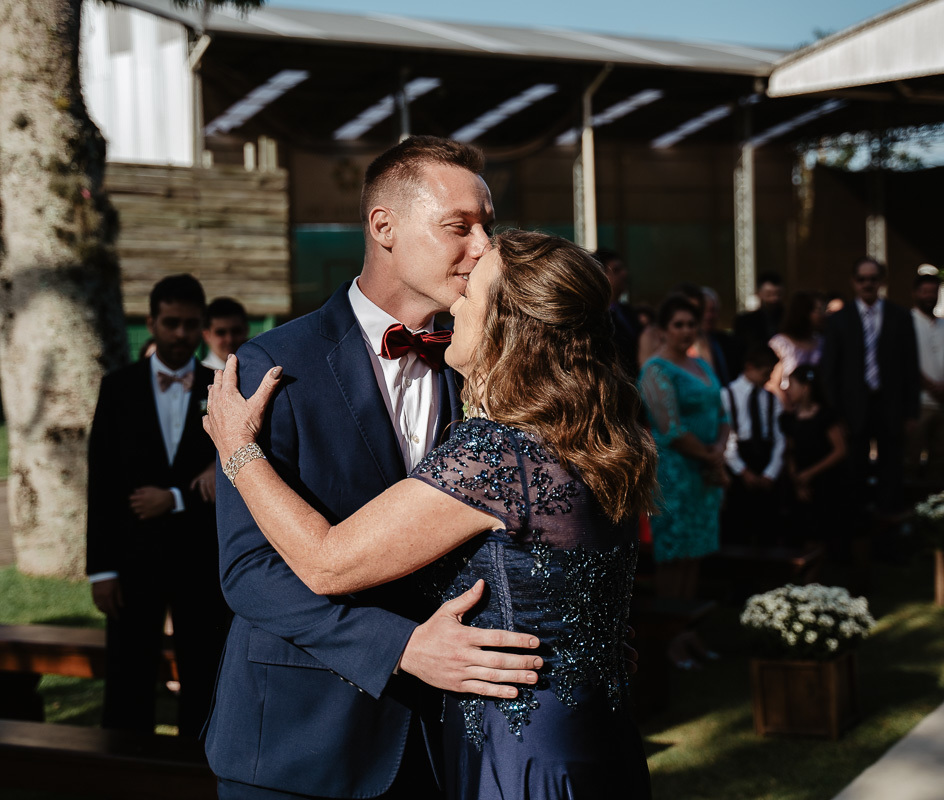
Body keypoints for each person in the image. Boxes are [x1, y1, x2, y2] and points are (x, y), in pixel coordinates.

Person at [206, 229, 657, 799]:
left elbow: (325, 563)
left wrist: (238, 451)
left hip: (521, 753)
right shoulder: (597, 436)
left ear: (506, 328)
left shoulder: (498, 453)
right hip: (591, 736)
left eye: (473, 296)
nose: (457, 302)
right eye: (458, 226)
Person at [203, 137, 547, 800]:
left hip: (446, 742)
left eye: (487, 226)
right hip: (299, 744)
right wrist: (400, 647)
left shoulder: (482, 369)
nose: (482, 247)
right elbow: (249, 572)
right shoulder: (276, 365)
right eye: (459, 227)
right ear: (384, 227)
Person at [86, 274, 231, 739]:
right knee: (129, 674)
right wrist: (101, 570)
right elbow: (102, 481)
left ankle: (199, 772)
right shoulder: (118, 389)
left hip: (201, 559)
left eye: (190, 325)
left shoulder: (223, 388)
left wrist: (214, 471)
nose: (180, 335)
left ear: (202, 328)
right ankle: (122, 773)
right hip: (133, 559)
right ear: (151, 322)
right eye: (170, 323)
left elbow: (248, 466)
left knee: (205, 671)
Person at [638, 293, 729, 669]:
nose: (686, 330)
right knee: (673, 558)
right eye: (678, 324)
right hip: (675, 473)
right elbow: (669, 428)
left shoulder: (701, 365)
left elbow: (722, 413)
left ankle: (689, 631)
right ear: (663, 330)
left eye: (691, 324)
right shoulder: (655, 370)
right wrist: (709, 456)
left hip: (705, 473)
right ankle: (669, 639)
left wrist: (719, 449)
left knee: (694, 555)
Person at [820, 257, 919, 515]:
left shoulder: (901, 317)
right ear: (854, 282)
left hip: (890, 406)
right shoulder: (838, 320)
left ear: (881, 282)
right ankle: (858, 539)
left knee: (891, 474)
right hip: (853, 408)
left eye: (873, 279)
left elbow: (910, 367)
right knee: (855, 474)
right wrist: (835, 414)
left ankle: (888, 540)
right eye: (862, 279)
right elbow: (829, 372)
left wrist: (911, 412)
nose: (868, 284)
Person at [779, 365, 852, 559]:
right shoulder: (788, 419)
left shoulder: (826, 416)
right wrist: (797, 479)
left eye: (791, 384)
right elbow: (790, 451)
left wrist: (810, 474)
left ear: (805, 388)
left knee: (820, 533)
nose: (787, 389)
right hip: (799, 483)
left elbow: (840, 450)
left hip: (824, 483)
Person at [721, 344, 785, 546]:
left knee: (767, 525)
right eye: (766, 372)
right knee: (738, 525)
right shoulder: (727, 395)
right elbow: (726, 435)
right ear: (749, 367)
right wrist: (742, 470)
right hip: (739, 463)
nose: (769, 378)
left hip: (765, 461)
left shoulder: (771, 399)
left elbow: (779, 438)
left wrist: (771, 472)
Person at [908, 273, 944, 482]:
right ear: (915, 293)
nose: (929, 296)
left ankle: (935, 509)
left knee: (939, 462)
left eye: (933, 292)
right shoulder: (906, 321)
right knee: (911, 461)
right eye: (925, 291)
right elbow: (906, 361)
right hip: (918, 405)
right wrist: (930, 386)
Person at [768, 290, 824, 406]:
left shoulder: (821, 342)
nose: (821, 315)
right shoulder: (781, 344)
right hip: (786, 408)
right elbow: (772, 383)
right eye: (817, 310)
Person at [595, 248, 643, 380]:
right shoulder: (593, 316)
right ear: (601, 276)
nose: (624, 274)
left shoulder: (629, 312)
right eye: (616, 270)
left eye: (623, 269)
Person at [733, 272, 784, 363]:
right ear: (759, 293)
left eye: (777, 294)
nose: (773, 299)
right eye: (769, 294)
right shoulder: (745, 321)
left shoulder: (787, 318)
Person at [202, 297, 250, 370]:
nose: (230, 339)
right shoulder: (195, 377)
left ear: (246, 330)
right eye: (221, 333)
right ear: (206, 335)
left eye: (236, 331)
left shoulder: (260, 371)